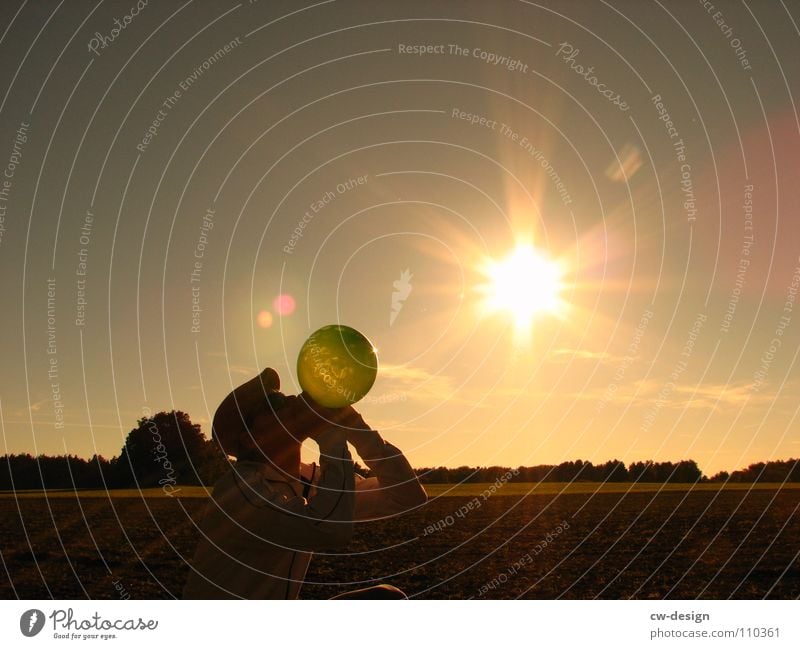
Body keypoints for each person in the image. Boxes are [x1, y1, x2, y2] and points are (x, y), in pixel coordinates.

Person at [182, 367, 427, 599]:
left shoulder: (310, 479)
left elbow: (407, 497)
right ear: (251, 439)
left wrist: (357, 429)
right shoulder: (237, 491)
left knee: (386, 599)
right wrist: (331, 438)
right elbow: (330, 530)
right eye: (274, 403)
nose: (290, 399)